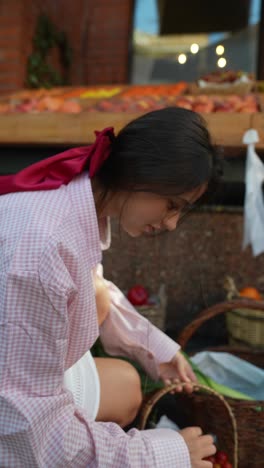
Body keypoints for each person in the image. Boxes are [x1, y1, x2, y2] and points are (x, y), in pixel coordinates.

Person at [0, 107, 221, 467]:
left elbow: (92, 286)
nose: (172, 223)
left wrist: (154, 350)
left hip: (19, 374)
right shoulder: (42, 247)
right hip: (14, 413)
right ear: (141, 172)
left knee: (127, 385)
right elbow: (25, 429)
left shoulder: (73, 204)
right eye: (173, 205)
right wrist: (164, 455)